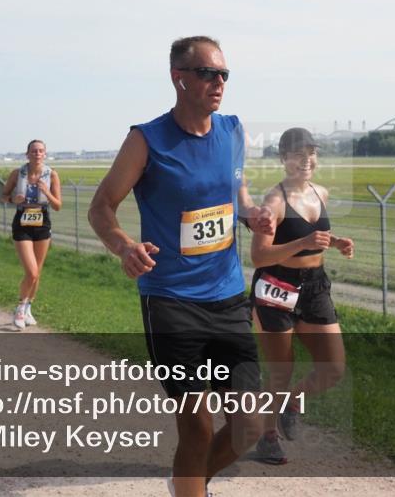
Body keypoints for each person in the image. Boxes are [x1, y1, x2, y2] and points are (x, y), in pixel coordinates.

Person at [89, 36, 273, 497]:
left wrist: (250, 213)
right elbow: (101, 207)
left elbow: (234, 192)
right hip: (171, 302)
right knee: (197, 427)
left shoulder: (232, 131)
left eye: (224, 74)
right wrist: (124, 246)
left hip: (228, 298)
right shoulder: (146, 140)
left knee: (248, 424)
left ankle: (186, 485)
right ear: (179, 78)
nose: (219, 83)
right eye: (209, 73)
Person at [250, 127, 354, 464]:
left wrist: (334, 242)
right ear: (283, 158)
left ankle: (292, 404)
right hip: (276, 287)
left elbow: (314, 232)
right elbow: (259, 257)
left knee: (334, 367)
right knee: (280, 368)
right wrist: (303, 244)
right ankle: (267, 438)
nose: (306, 159)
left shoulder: (319, 192)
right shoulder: (274, 201)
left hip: (315, 286)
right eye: (297, 153)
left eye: (311, 152)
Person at [0, 139, 62, 331]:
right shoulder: (18, 174)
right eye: (34, 151)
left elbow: (58, 205)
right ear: (27, 154)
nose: (37, 154)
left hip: (42, 221)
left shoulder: (51, 175)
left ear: (45, 154)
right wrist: (13, 199)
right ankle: (19, 308)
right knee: (31, 272)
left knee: (38, 273)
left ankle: (28, 308)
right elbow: (3, 196)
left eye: (41, 151)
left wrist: (46, 192)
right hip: (22, 223)